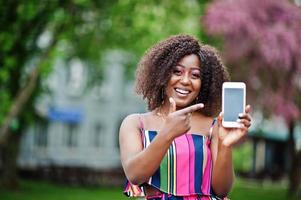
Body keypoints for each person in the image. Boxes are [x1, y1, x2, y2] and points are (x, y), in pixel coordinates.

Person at [119, 34, 251, 200]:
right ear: (162, 75)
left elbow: (222, 190)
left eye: (195, 75)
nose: (186, 80)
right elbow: (135, 175)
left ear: (204, 83)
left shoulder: (214, 126)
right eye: (177, 72)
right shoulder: (135, 123)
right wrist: (167, 133)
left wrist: (225, 145)